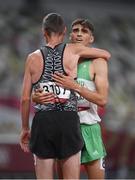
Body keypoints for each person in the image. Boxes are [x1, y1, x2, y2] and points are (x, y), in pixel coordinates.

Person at [20, 13, 110, 179]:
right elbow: (40, 89)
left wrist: (75, 86)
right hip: (67, 123)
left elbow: (103, 100)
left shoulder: (97, 62)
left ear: (91, 38)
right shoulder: (67, 54)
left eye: (84, 31)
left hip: (86, 127)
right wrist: (35, 97)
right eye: (76, 30)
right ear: (67, 33)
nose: (79, 34)